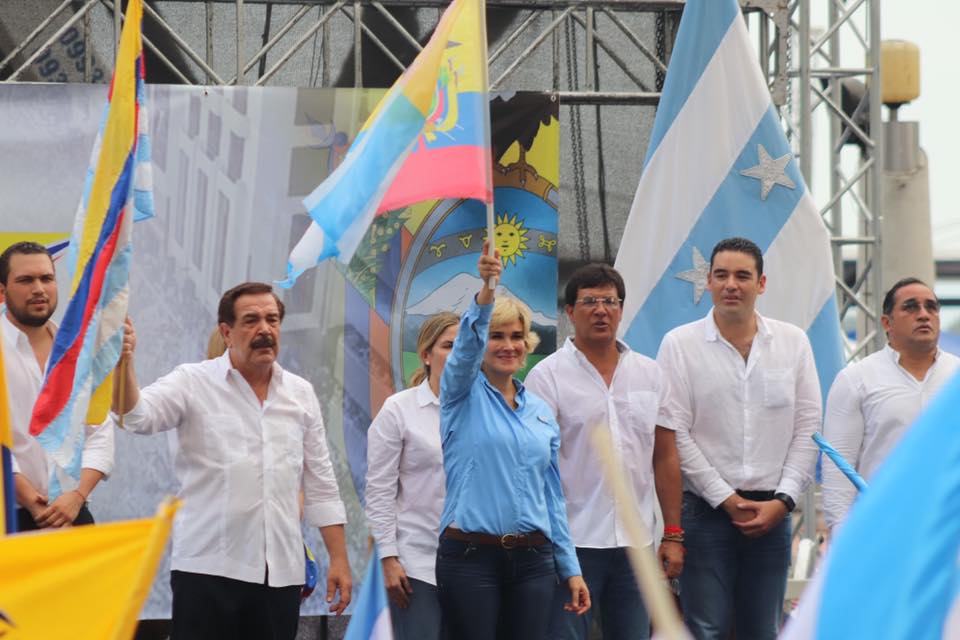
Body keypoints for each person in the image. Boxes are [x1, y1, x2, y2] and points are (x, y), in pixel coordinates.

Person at [113, 281, 352, 640]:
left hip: (280, 573)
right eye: (251, 320)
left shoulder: (300, 393)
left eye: (272, 320)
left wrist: (340, 559)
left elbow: (321, 483)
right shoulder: (192, 382)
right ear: (226, 332)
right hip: (207, 569)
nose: (264, 330)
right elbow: (135, 416)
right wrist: (123, 363)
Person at [656, 237, 820, 640]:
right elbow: (675, 434)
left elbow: (808, 427)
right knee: (706, 630)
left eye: (742, 276)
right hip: (704, 513)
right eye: (722, 275)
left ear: (761, 284)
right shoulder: (679, 345)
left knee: (763, 630)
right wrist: (726, 499)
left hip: (773, 513)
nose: (731, 284)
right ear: (708, 282)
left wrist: (783, 500)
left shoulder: (793, 342)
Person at [435, 246, 590, 640]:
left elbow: (552, 497)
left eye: (517, 336)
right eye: (496, 336)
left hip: (534, 560)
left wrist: (570, 568)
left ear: (528, 343)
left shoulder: (540, 412)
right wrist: (487, 291)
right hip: (470, 558)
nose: (509, 345)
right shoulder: (460, 393)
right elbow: (463, 353)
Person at [525, 263, 683, 640]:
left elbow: (665, 457)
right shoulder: (546, 377)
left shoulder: (650, 374)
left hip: (637, 544)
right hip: (571, 542)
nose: (601, 310)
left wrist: (673, 534)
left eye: (610, 302)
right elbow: (533, 466)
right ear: (569, 311)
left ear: (621, 309)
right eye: (590, 302)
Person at [822, 277, 959, 533]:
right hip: (884, 528)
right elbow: (839, 467)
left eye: (931, 307)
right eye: (911, 307)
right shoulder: (856, 379)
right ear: (887, 323)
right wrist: (840, 532)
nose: (923, 314)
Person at [0, 241, 114, 530]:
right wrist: (31, 500)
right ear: (2, 291)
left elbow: (99, 430)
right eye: (26, 280)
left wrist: (77, 496)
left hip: (73, 512)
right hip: (10, 515)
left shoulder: (79, 351)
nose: (39, 289)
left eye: (46, 278)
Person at [365, 311, 459, 640]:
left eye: (466, 345)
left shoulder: (486, 409)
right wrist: (388, 558)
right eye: (448, 345)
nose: (458, 352)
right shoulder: (399, 410)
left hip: (476, 567)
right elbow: (379, 491)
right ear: (426, 355)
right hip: (417, 564)